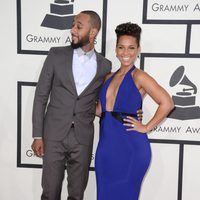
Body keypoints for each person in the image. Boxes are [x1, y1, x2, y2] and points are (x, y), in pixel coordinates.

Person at [31, 10, 112, 200]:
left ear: (93, 32)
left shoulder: (105, 65)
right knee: (50, 193)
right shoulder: (56, 55)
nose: (73, 29)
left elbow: (109, 99)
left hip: (82, 138)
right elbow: (41, 95)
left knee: (77, 194)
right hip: (53, 135)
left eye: (78, 26)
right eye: (73, 24)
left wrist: (133, 112)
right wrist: (37, 135)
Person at [95, 22, 174, 200]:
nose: (125, 53)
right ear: (115, 50)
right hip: (106, 149)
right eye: (121, 47)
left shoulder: (139, 76)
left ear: (138, 50)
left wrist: (146, 127)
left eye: (131, 48)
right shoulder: (108, 77)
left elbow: (167, 103)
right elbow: (101, 110)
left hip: (131, 148)